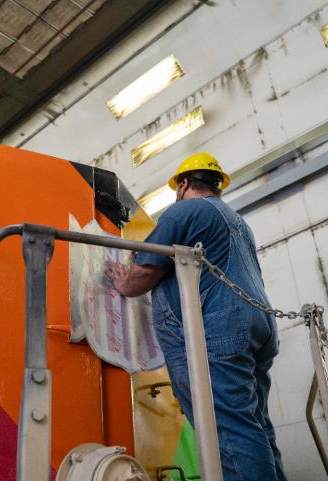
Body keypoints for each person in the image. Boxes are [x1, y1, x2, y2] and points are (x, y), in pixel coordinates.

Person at [105, 152, 287, 481]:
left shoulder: (184, 210)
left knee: (228, 430)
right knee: (254, 424)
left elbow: (143, 276)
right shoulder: (237, 221)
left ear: (184, 184)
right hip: (258, 326)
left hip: (223, 328)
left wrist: (122, 280)